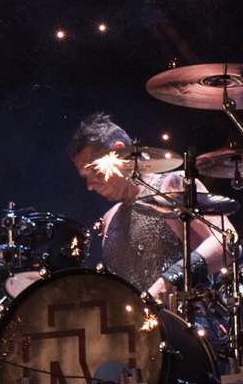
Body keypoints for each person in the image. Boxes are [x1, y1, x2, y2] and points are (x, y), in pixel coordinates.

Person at [68, 113, 229, 301]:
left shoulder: (170, 186)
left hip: (187, 324)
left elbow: (226, 243)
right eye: (84, 177)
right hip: (137, 328)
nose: (89, 185)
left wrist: (167, 282)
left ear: (120, 153)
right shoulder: (109, 219)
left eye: (94, 170)